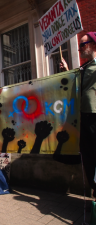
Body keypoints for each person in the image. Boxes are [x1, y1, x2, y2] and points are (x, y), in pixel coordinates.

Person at [60, 32, 96, 199]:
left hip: (95, 116)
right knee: (88, 158)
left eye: (83, 44)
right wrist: (67, 70)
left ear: (93, 44)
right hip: (84, 118)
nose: (80, 48)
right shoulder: (85, 67)